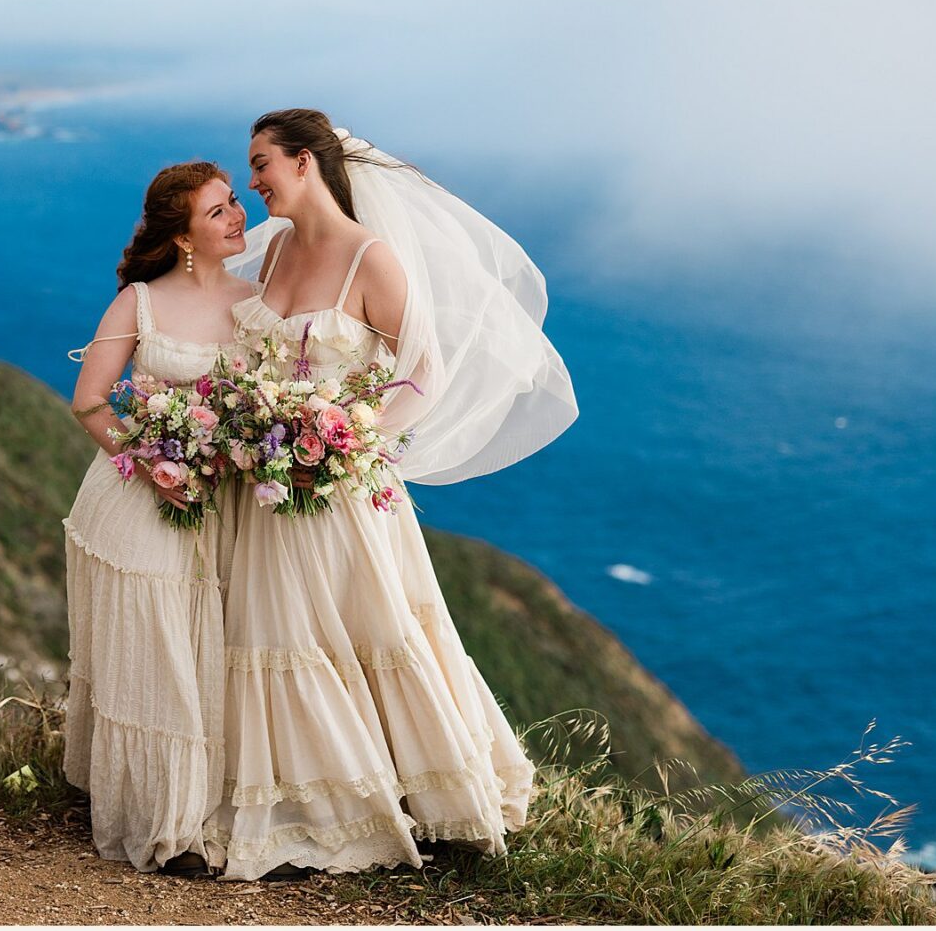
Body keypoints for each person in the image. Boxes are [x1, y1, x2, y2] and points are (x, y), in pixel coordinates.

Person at [204, 109, 579, 882]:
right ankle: (304, 800)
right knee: (278, 641)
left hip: (338, 489)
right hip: (266, 488)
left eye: (261, 163)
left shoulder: (370, 258)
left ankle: (409, 797)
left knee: (362, 636)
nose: (252, 181)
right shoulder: (272, 255)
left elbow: (425, 372)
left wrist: (348, 442)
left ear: (304, 161)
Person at [61, 161, 256, 877]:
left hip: (231, 506)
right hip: (141, 502)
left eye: (235, 202)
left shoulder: (260, 301)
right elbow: (89, 401)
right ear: (182, 236)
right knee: (163, 655)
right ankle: (165, 819)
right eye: (218, 212)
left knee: (221, 653)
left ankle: (214, 803)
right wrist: (150, 464)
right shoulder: (139, 304)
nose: (238, 216)